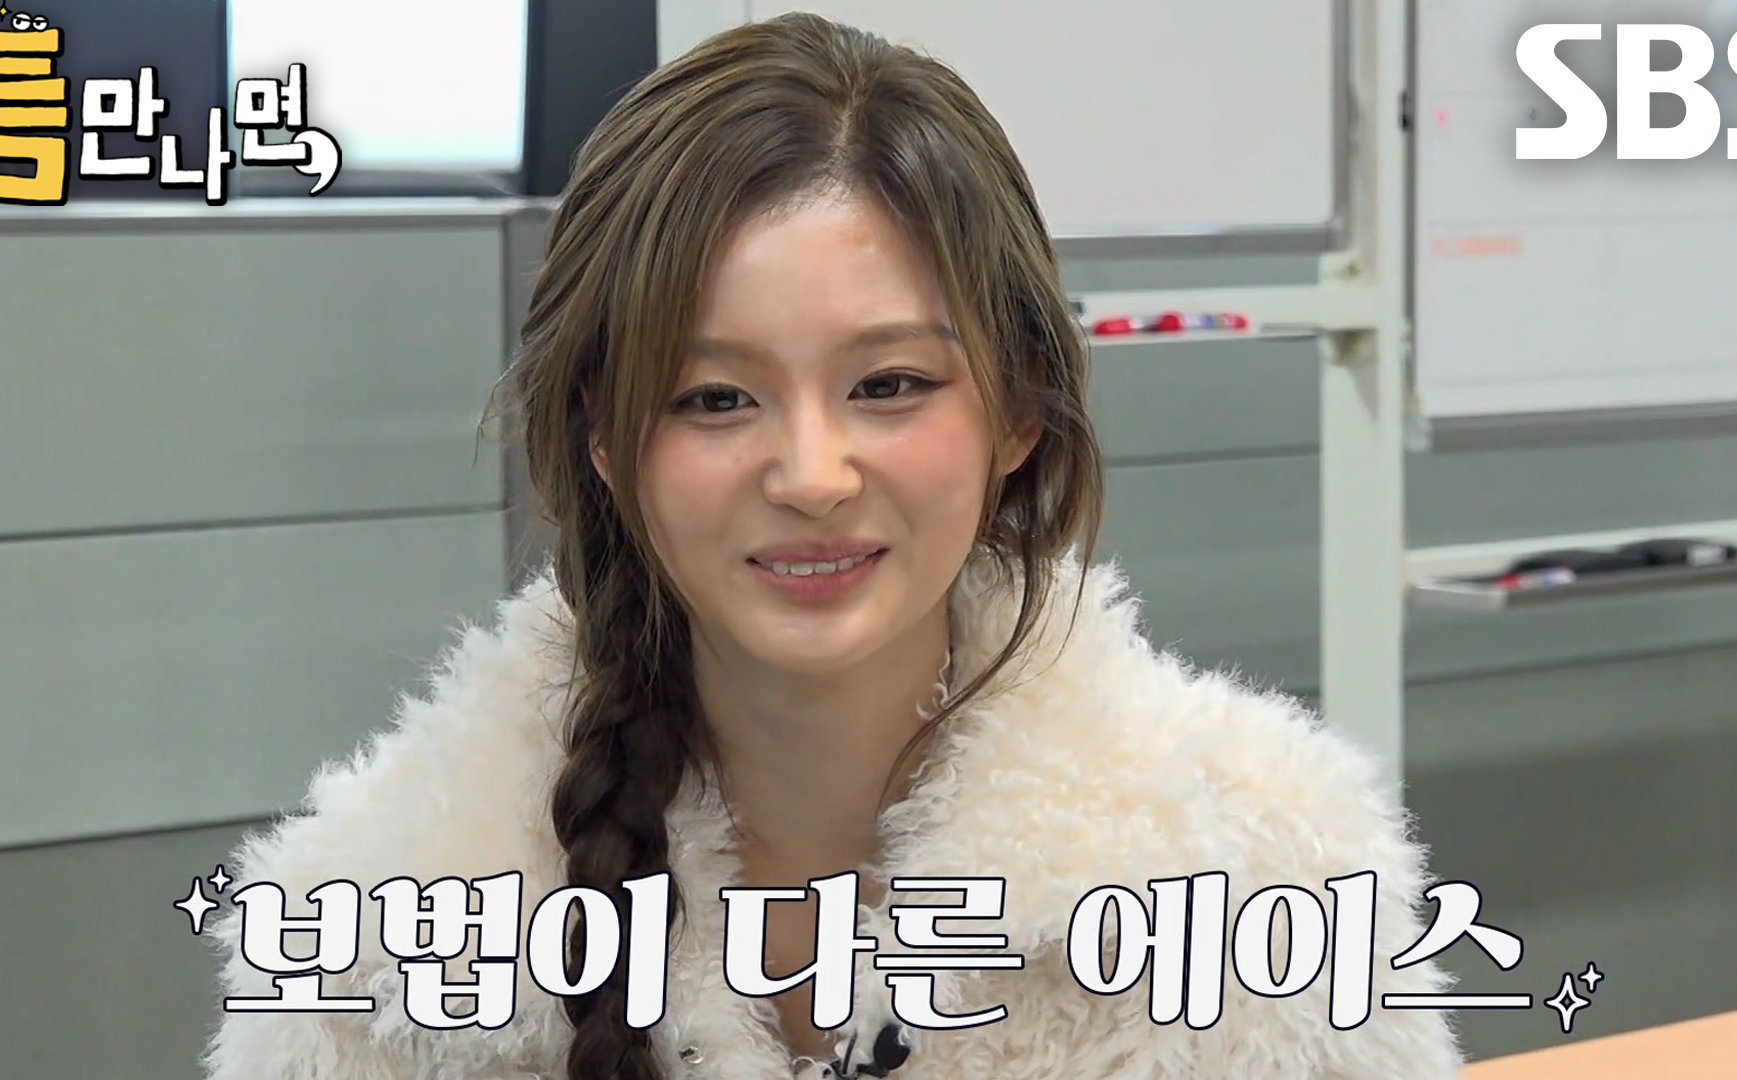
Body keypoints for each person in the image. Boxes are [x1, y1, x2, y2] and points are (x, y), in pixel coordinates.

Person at [202, 12, 1463, 1080]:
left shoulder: (1265, 881)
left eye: (890, 384)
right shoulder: (376, 934)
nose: (811, 475)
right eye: (714, 398)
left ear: (1019, 409)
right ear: (601, 439)